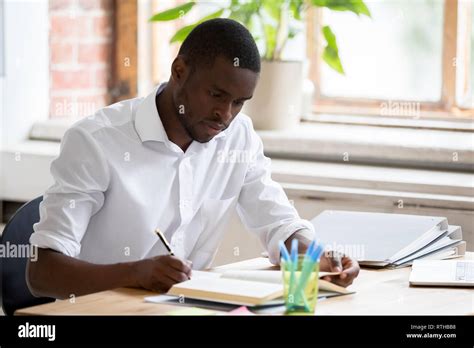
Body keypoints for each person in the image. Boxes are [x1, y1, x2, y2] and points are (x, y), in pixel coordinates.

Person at [27, 18, 359, 300]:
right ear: (180, 71)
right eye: (216, 95)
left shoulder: (237, 137)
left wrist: (316, 256)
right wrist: (134, 273)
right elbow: (42, 271)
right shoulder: (96, 141)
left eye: (239, 102)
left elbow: (279, 223)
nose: (225, 115)